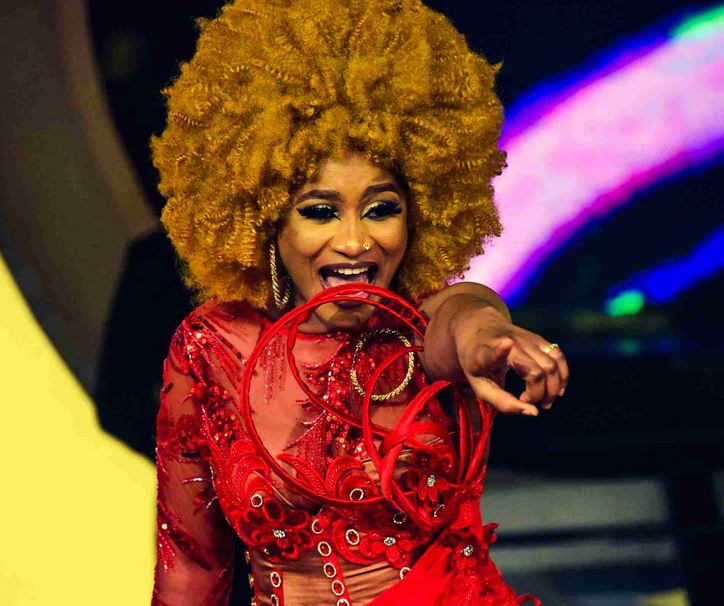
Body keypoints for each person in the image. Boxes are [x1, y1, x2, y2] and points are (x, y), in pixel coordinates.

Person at [150, 1, 569, 604]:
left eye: (381, 209)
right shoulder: (210, 347)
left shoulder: (420, 325)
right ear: (265, 217)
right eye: (321, 211)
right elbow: (191, 565)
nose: (354, 241)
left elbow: (464, 316)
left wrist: (485, 337)